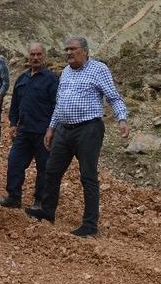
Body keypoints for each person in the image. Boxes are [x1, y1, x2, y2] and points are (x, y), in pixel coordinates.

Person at [25, 37, 130, 237]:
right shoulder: (65, 71)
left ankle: (90, 225)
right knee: (52, 171)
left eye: (73, 49)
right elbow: (60, 103)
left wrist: (122, 119)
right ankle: (47, 211)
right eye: (66, 49)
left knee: (88, 176)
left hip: (88, 129)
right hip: (64, 130)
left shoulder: (98, 69)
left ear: (85, 51)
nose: (68, 53)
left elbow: (113, 97)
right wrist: (51, 128)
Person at [0, 42, 57, 209]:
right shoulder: (22, 78)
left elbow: (57, 106)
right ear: (28, 56)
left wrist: (52, 129)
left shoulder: (52, 79)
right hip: (23, 131)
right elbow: (15, 105)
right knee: (15, 163)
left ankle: (40, 202)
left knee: (43, 168)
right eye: (32, 54)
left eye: (39, 54)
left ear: (44, 56)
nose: (35, 58)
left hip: (43, 133)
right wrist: (12, 123)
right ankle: (13, 197)